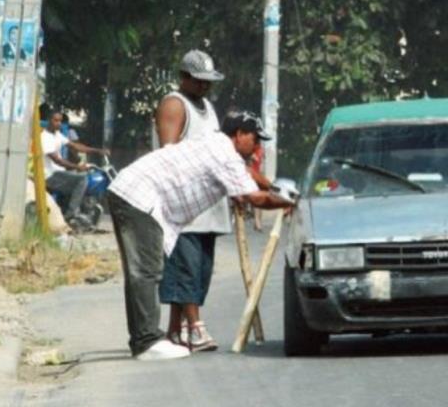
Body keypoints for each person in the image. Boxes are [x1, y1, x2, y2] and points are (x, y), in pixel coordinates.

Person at [107, 111, 294, 361]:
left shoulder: (214, 143)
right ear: (238, 135)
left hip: (133, 192)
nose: (257, 146)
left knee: (144, 271)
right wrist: (282, 200)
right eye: (254, 139)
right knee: (145, 271)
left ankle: (146, 338)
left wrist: (265, 189)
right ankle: (146, 342)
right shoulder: (225, 154)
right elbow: (254, 197)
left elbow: (246, 178)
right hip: (140, 196)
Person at [153, 49, 231, 352]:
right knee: (185, 269)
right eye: (199, 81)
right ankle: (196, 329)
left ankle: (175, 330)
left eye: (208, 82)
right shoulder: (175, 104)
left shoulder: (207, 108)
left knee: (200, 271)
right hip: (184, 205)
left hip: (208, 206)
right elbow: (168, 153)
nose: (204, 87)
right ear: (183, 78)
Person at [41, 112, 108, 224]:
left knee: (84, 176)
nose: (58, 123)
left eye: (60, 121)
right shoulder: (44, 137)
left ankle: (81, 209)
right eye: (55, 120)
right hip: (50, 175)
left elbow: (75, 146)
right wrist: (77, 167)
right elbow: (57, 160)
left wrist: (98, 151)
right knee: (82, 179)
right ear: (49, 120)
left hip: (59, 173)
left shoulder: (57, 135)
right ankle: (71, 214)